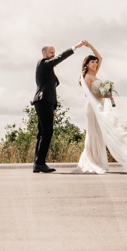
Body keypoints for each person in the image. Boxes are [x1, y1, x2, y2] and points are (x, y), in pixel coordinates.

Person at [76, 41, 127, 175]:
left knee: (99, 134)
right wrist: (105, 95)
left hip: (99, 106)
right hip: (92, 108)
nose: (95, 64)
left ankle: (99, 161)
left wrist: (91, 46)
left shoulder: (95, 74)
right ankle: (92, 161)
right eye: (92, 62)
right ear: (87, 64)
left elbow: (101, 58)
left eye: (95, 62)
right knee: (93, 134)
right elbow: (89, 94)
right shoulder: (87, 76)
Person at [32, 40, 88, 173]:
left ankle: (37, 164)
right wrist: (76, 47)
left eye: (54, 52)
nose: (53, 54)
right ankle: (39, 163)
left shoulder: (48, 69)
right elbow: (59, 59)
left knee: (42, 133)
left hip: (46, 103)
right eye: (51, 53)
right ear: (44, 53)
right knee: (47, 132)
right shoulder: (43, 63)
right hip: (43, 101)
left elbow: (53, 82)